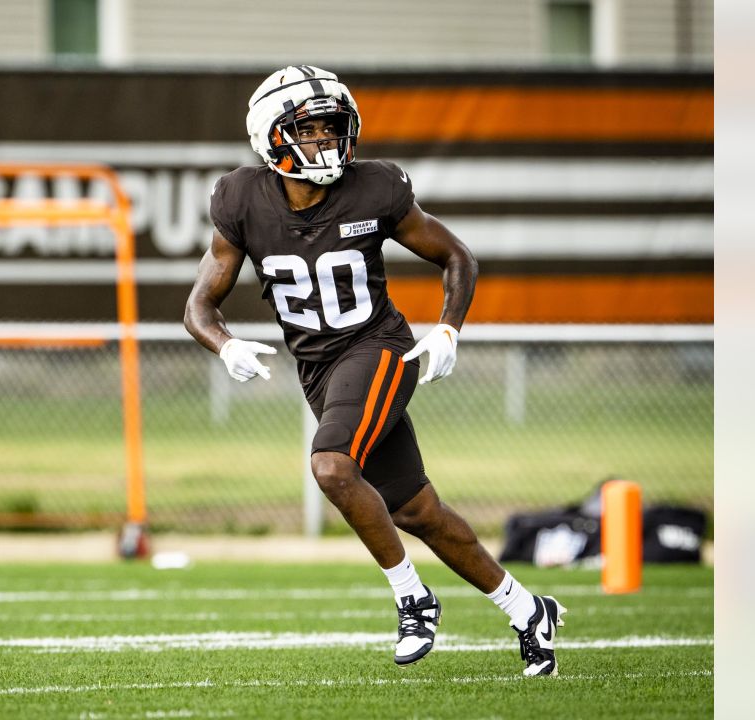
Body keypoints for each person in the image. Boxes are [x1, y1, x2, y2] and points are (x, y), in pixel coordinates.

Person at [184, 65, 567, 677]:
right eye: (309, 132)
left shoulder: (376, 188)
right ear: (271, 137)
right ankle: (529, 611)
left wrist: (448, 327)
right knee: (418, 511)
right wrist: (225, 344)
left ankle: (412, 597)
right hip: (318, 369)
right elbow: (199, 306)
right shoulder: (238, 198)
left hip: (378, 347)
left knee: (333, 466)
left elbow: (455, 255)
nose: (325, 144)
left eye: (333, 130)